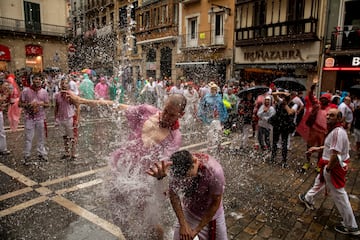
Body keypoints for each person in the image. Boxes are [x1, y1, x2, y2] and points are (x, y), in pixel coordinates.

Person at [64, 91, 187, 239]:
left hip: (143, 180)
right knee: (118, 216)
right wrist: (82, 100)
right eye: (166, 110)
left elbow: (164, 165)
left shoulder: (175, 138)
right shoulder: (147, 111)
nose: (166, 117)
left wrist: (161, 174)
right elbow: (115, 106)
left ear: (181, 115)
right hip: (122, 169)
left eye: (172, 115)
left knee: (149, 223)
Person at [298, 109, 360, 236]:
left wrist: (328, 169)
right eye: (327, 114)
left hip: (332, 168)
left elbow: (335, 154)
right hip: (329, 166)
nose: (327, 117)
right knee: (319, 182)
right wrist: (317, 148)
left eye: (332, 115)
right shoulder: (335, 130)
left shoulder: (337, 132)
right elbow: (330, 147)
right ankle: (308, 198)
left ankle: (351, 226)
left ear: (339, 119)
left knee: (340, 196)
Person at [168, 150, 228, 240]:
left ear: (195, 161)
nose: (186, 180)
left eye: (189, 176)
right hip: (190, 210)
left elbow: (215, 203)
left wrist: (197, 230)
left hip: (212, 215)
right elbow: (173, 195)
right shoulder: (177, 167)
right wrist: (183, 224)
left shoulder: (214, 172)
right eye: (184, 178)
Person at [19, 74, 50, 163]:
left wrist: (40, 104)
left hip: (40, 118)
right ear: (32, 80)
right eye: (36, 79)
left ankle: (41, 153)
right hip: (29, 118)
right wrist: (28, 105)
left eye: (39, 79)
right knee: (28, 137)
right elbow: (19, 104)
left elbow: (48, 104)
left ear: (41, 81)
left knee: (41, 137)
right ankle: (26, 155)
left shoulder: (44, 92)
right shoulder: (26, 91)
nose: (37, 81)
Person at [54, 78, 79, 160]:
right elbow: (56, 107)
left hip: (70, 118)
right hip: (61, 118)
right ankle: (67, 152)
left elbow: (77, 106)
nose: (64, 85)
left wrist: (77, 119)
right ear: (60, 85)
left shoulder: (72, 95)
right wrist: (56, 118)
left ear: (68, 85)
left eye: (65, 83)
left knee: (72, 137)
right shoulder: (57, 95)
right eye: (62, 84)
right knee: (65, 137)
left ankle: (73, 153)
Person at [0, 77, 11, 155]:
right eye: (5, 85)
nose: (7, 86)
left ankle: (3, 148)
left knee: (1, 131)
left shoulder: (5, 93)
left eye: (7, 85)